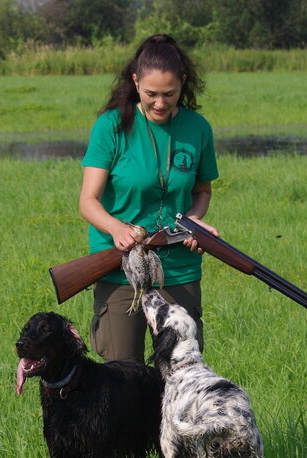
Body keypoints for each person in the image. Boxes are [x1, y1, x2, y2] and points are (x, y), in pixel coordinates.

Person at [79, 34, 219, 363]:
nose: (160, 103)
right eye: (151, 94)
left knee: (180, 374)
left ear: (183, 84)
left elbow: (202, 191)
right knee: (122, 373)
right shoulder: (110, 126)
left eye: (169, 94)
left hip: (179, 269)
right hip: (120, 268)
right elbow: (88, 200)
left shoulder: (198, 128)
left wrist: (194, 220)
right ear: (135, 82)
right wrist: (116, 229)